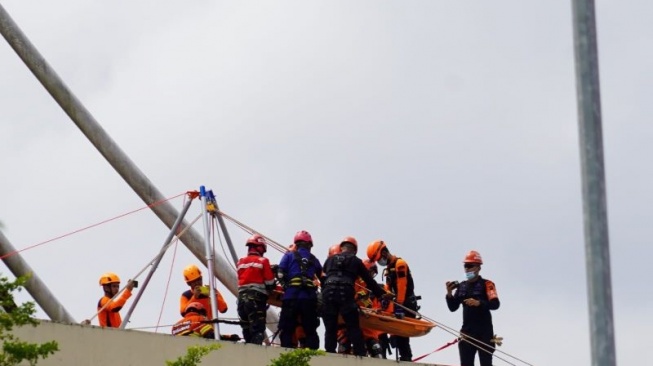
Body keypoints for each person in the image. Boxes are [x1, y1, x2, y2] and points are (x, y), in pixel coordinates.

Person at [322, 236, 391, 357]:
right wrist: (382, 295)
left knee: (330, 328)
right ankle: (361, 356)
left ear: (341, 248)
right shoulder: (356, 261)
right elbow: (370, 282)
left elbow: (323, 278)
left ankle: (330, 356)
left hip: (328, 294)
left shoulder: (330, 260)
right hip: (346, 294)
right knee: (353, 327)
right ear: (354, 250)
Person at [367, 239, 419, 361]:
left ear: (384, 253)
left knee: (402, 334)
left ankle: (406, 358)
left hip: (407, 303)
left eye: (378, 258)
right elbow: (390, 288)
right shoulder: (389, 269)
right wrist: (386, 297)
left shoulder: (400, 264)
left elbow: (402, 286)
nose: (379, 262)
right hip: (398, 302)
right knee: (398, 335)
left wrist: (399, 305)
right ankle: (404, 357)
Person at [446, 250, 500, 366]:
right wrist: (449, 294)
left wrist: (479, 303)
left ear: (478, 268)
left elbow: (495, 304)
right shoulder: (462, 286)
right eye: (465, 266)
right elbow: (453, 308)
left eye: (470, 266)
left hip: (485, 335)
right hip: (467, 334)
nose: (467, 269)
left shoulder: (488, 284)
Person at [277, 230, 322, 350]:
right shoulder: (314, 259)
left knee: (287, 329)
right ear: (309, 245)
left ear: (296, 244)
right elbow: (323, 277)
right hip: (309, 298)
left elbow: (280, 273)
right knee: (310, 329)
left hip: (291, 296)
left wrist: (287, 287)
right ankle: (312, 355)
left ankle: (286, 353)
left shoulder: (289, 255)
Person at [236, 234, 276, 344]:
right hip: (255, 301)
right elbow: (270, 282)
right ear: (260, 247)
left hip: (241, 301)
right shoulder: (263, 261)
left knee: (246, 330)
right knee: (257, 330)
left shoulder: (240, 261)